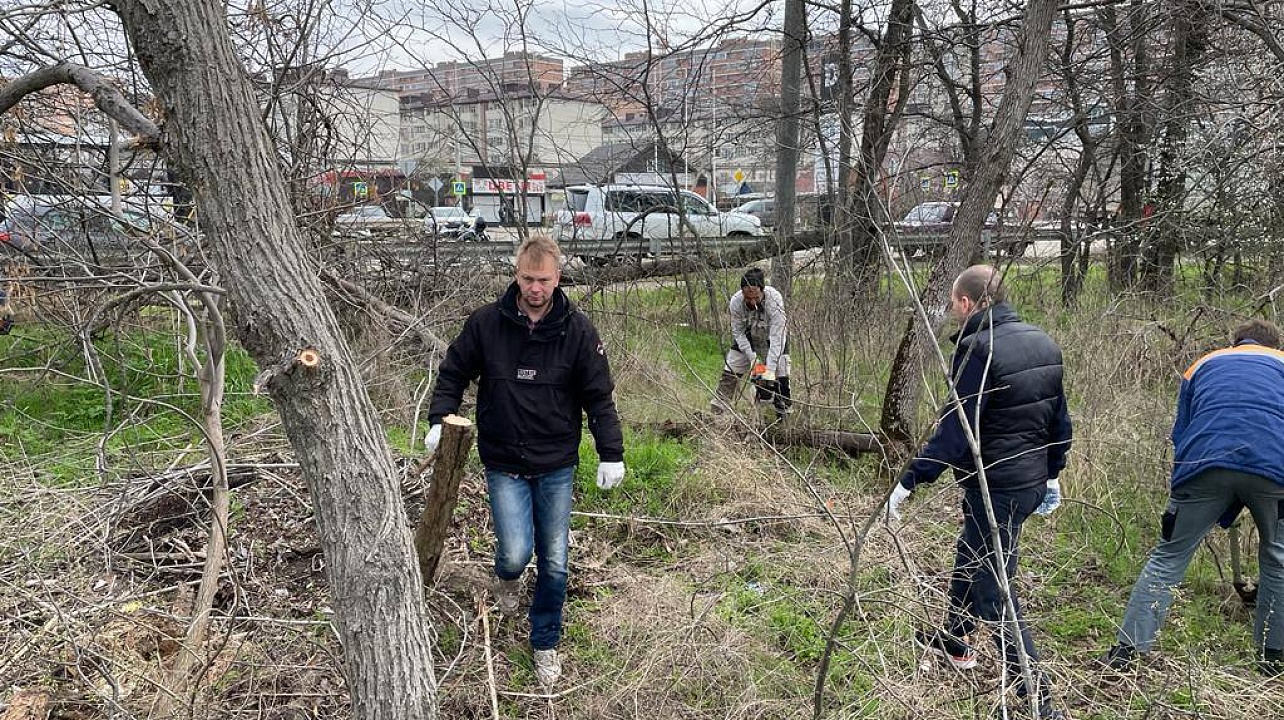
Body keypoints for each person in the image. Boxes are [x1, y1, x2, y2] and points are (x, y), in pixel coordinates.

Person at [425, 235, 625, 688]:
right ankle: (507, 578)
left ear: (559, 278)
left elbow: (599, 397)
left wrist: (610, 453)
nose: (536, 288)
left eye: (545, 280)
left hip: (556, 463)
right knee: (515, 553)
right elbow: (454, 371)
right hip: (504, 459)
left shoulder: (578, 331)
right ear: (517, 275)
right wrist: (440, 418)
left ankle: (545, 641)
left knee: (554, 560)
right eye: (528, 279)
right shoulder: (486, 324)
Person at [887, 265, 1072, 720]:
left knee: (995, 590)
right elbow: (1060, 422)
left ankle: (1038, 698)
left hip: (997, 486)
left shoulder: (979, 350)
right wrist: (1052, 473)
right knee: (972, 552)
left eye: (955, 303)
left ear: (967, 302)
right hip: (1026, 483)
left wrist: (910, 480)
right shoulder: (1043, 342)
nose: (954, 311)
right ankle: (955, 638)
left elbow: (956, 431)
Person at [1104, 319, 1284, 675]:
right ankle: (1273, 658)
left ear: (1235, 342)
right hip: (1274, 471)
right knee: (1279, 560)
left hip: (1202, 466)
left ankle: (1127, 652)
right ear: (1274, 346)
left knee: (1168, 555)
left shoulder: (1203, 364)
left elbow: (1181, 430)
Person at [710, 267, 791, 420]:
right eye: (747, 298)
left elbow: (778, 337)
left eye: (756, 297)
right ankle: (717, 413)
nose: (752, 302)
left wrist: (769, 371)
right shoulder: (736, 302)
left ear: (762, 290)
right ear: (742, 293)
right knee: (731, 369)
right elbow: (738, 333)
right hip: (748, 337)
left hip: (772, 339)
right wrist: (753, 359)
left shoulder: (775, 300)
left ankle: (783, 416)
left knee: (781, 373)